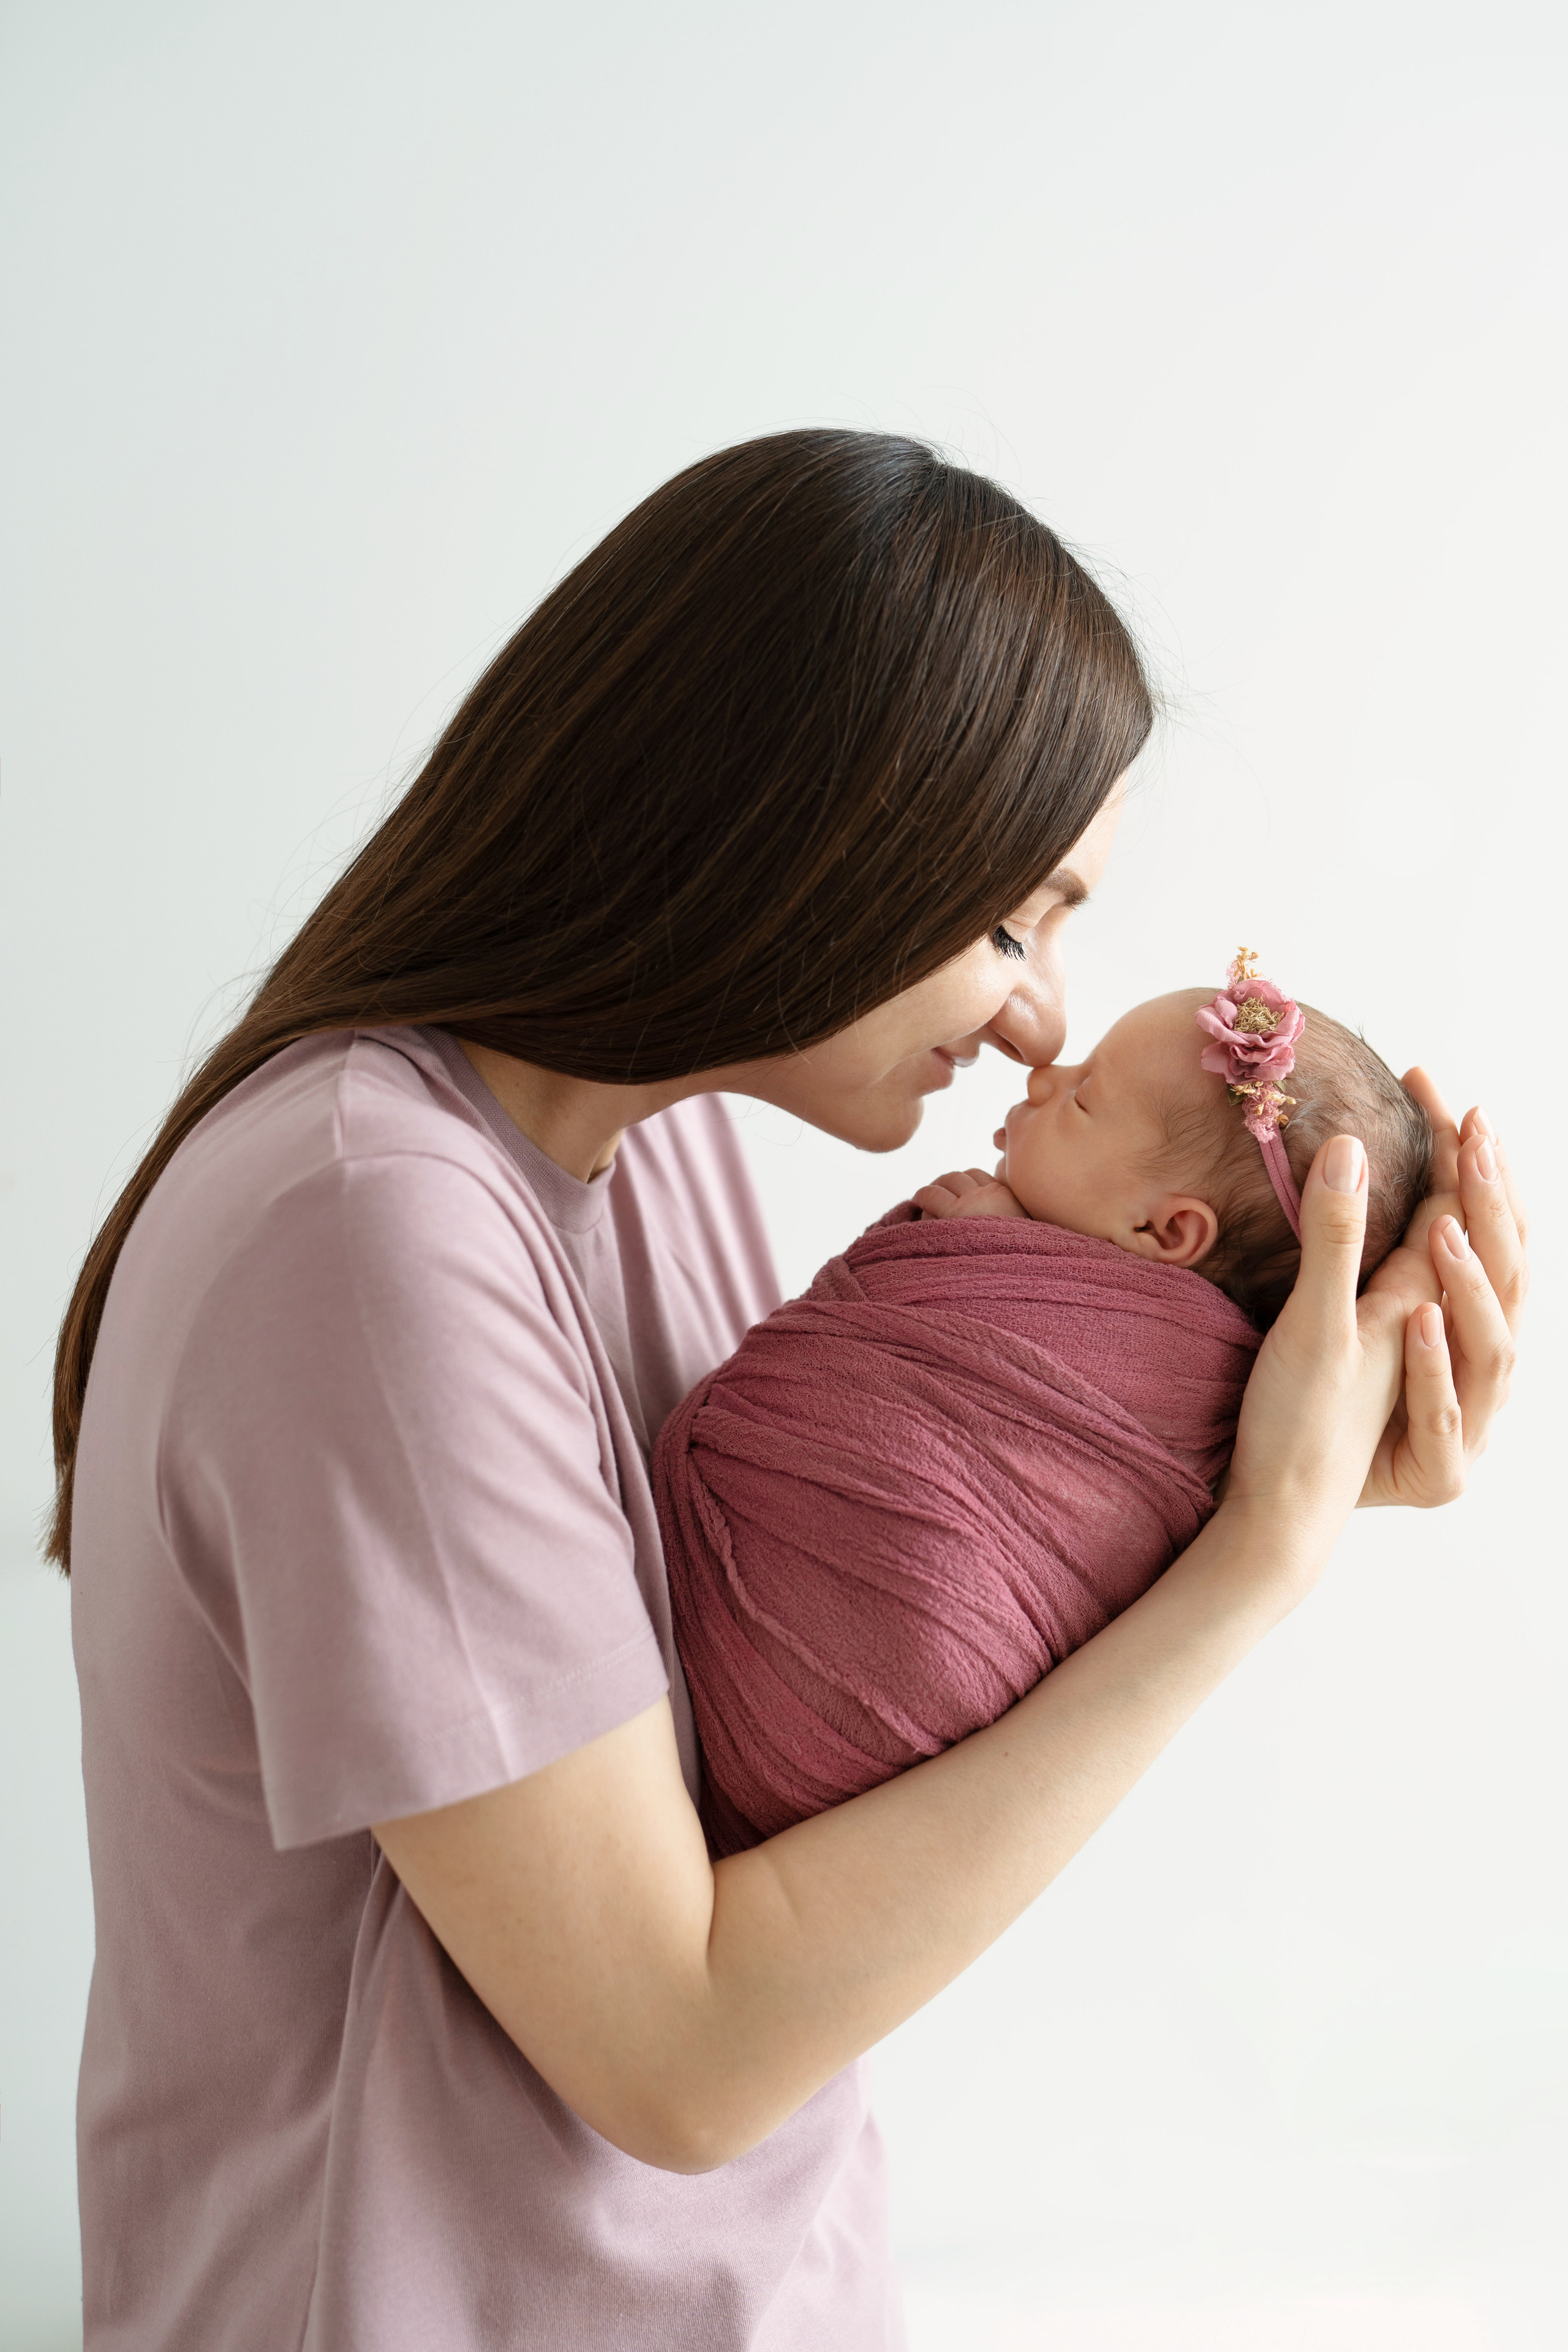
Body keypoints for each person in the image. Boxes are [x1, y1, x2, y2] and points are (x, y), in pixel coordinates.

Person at [51, 430, 1527, 2351]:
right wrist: (1250, 1569)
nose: (1040, 1016)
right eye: (1007, 920)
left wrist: (1251, 1445)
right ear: (790, 827)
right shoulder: (371, 1228)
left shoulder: (646, 1149)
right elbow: (677, 2058)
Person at [655, 966, 1436, 1858]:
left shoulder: (1201, 1389)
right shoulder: (1211, 1388)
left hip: (888, 1662)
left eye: (1085, 1098)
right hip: (889, 1761)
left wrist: (976, 1243)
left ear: (1165, 1233)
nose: (1043, 1076)